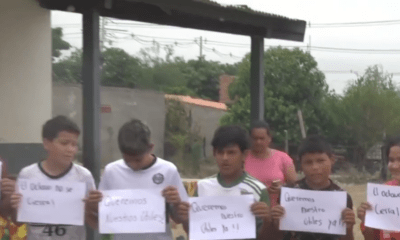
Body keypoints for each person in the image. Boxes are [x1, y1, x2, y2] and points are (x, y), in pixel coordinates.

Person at [86, 119, 188, 240]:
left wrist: (177, 203)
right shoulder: (111, 171)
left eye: (138, 160)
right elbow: (100, 223)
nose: (133, 165)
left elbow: (180, 218)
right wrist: (90, 207)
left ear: (151, 148)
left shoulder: (168, 170)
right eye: (127, 160)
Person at [177, 125, 273, 240]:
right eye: (220, 152)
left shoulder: (258, 189)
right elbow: (194, 232)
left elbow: (265, 237)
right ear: (214, 153)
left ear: (244, 155)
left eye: (231, 152)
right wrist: (185, 219)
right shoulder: (203, 186)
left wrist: (268, 220)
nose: (225, 158)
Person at [10, 116, 97, 240]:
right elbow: (17, 221)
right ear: (46, 143)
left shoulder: (83, 176)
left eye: (74, 144)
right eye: (64, 143)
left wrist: (91, 208)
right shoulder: (27, 174)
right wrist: (15, 206)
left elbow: (94, 223)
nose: (70, 150)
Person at [271, 135, 355, 240]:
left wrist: (349, 227)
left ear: (332, 160)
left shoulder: (342, 197)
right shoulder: (289, 193)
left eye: (320, 161)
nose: (315, 167)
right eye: (308, 162)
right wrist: (276, 221)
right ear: (300, 164)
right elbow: (278, 235)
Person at [357, 135, 400, 240]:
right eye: (391, 160)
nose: (395, 165)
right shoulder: (384, 192)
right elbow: (373, 238)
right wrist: (366, 221)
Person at [245, 120, 297, 204]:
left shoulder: (283, 158)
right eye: (255, 138)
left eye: (262, 138)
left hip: (276, 212)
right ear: (249, 139)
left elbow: (295, 187)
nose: (258, 142)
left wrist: (281, 188)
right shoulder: (242, 158)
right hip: (247, 210)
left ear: (269, 138)